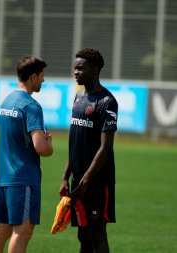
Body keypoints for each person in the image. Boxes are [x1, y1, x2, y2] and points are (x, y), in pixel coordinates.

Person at [0, 56, 53, 253]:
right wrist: (49, 143)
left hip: (5, 177)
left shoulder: (7, 101)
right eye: (41, 76)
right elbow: (41, 148)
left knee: (1, 231)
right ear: (33, 77)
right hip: (24, 178)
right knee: (22, 232)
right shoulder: (31, 106)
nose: (43, 80)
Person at [60, 48, 118, 253]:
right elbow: (74, 141)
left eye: (80, 68)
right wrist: (65, 177)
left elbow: (105, 148)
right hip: (78, 182)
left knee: (97, 234)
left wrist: (85, 182)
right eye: (74, 68)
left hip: (96, 182)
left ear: (94, 69)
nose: (76, 72)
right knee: (83, 235)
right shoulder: (78, 97)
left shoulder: (107, 102)